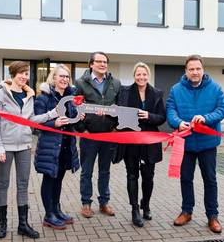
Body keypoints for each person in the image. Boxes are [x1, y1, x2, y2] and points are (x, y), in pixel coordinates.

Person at [0, 61, 58, 239]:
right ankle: (2, 224)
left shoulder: (29, 96)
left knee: (23, 185)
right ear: (13, 73)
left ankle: (23, 224)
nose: (24, 77)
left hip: (25, 146)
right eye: (21, 73)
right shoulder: (0, 94)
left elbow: (32, 119)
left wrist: (52, 114)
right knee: (3, 184)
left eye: (27, 74)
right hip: (6, 147)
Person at [166, 54, 224, 233]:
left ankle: (212, 216)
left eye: (198, 69)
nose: (195, 72)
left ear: (203, 70)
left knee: (210, 179)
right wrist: (178, 122)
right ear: (186, 71)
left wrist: (206, 118)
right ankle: (187, 211)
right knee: (186, 178)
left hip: (208, 143)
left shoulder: (215, 88)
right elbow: (171, 111)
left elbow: (222, 109)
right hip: (185, 143)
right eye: (191, 69)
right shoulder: (176, 90)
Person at [113, 62, 166, 227]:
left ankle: (146, 205)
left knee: (148, 177)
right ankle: (134, 209)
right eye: (138, 74)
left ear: (148, 76)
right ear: (134, 75)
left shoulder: (156, 93)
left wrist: (148, 116)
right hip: (131, 141)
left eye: (144, 74)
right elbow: (116, 114)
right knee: (132, 175)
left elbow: (162, 117)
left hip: (149, 141)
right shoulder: (125, 92)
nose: (141, 77)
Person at [34, 64, 81, 230]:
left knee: (59, 179)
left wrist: (78, 115)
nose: (64, 79)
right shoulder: (43, 98)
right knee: (49, 179)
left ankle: (56, 209)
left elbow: (72, 118)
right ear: (53, 78)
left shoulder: (70, 97)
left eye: (67, 77)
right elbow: (35, 124)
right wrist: (54, 123)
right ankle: (48, 215)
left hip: (66, 146)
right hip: (50, 147)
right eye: (61, 76)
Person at [75, 51, 121, 218]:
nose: (102, 64)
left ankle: (104, 202)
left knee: (105, 171)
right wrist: (82, 130)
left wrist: (115, 128)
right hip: (89, 136)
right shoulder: (80, 83)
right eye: (99, 61)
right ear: (91, 64)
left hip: (108, 136)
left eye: (105, 62)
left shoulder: (115, 83)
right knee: (86, 171)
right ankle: (86, 203)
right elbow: (75, 108)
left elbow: (119, 107)